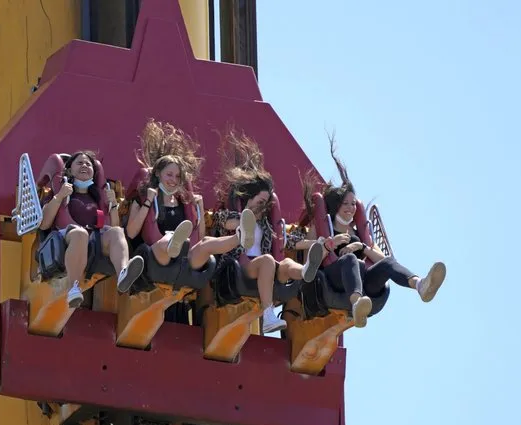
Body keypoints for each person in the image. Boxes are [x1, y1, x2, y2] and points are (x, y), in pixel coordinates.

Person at [303, 136, 446, 328]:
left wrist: (361, 246)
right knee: (350, 260)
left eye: (353, 204)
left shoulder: (359, 234)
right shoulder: (321, 227)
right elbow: (308, 260)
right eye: (345, 204)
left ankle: (420, 285)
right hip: (332, 281)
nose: (350, 208)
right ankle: (356, 305)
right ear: (335, 205)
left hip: (365, 283)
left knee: (387, 262)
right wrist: (331, 243)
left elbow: (380, 259)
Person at [212, 129, 325, 334]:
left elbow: (287, 241)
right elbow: (225, 223)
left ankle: (306, 271)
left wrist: (315, 244)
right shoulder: (230, 214)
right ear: (249, 197)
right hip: (240, 267)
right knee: (267, 260)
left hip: (268, 269)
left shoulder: (264, 224)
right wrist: (243, 220)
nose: (263, 207)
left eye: (266, 203)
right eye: (260, 201)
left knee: (287, 263)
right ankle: (268, 315)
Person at [125, 119, 257, 274]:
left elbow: (199, 238)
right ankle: (173, 243)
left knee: (206, 244)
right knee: (167, 241)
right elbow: (131, 233)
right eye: (169, 175)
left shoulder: (182, 202)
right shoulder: (142, 198)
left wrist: (199, 207)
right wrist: (148, 201)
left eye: (177, 177)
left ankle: (239, 237)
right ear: (158, 174)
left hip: (183, 259)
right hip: (155, 256)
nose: (173, 180)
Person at [39, 150, 145, 308]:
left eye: (88, 164)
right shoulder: (60, 193)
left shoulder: (97, 198)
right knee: (80, 234)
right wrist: (60, 196)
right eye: (79, 163)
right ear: (69, 170)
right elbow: (44, 224)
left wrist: (113, 205)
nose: (84, 166)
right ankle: (73, 288)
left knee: (117, 232)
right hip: (66, 238)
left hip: (93, 240)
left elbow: (114, 228)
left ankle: (123, 273)